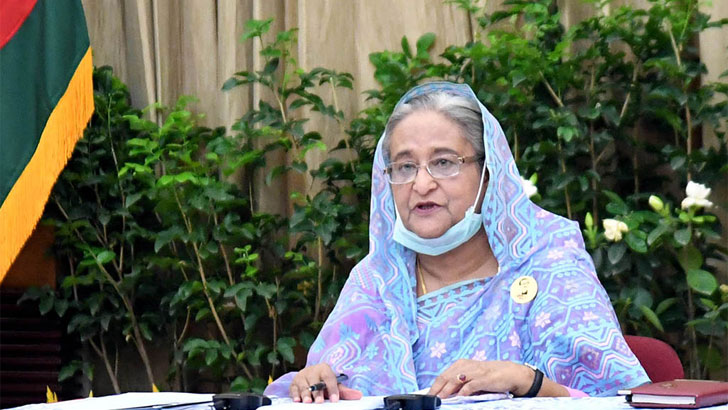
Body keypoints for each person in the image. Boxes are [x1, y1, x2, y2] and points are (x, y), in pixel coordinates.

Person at [264, 81, 650, 402]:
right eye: (405, 166)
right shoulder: (376, 280)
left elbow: (617, 400)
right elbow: (324, 385)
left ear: (488, 173)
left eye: (444, 162)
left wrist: (528, 382)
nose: (421, 184)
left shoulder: (547, 262)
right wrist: (312, 384)